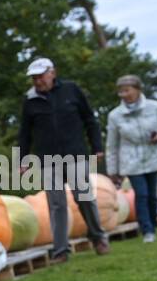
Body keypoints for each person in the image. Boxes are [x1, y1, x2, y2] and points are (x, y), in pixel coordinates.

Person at [17, 57, 109, 260]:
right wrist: (22, 160)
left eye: (40, 76)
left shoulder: (71, 90)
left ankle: (99, 238)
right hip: (48, 160)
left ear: (52, 73)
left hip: (75, 154)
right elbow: (25, 133)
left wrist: (97, 147)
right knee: (56, 204)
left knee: (83, 197)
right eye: (34, 78)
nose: (37, 81)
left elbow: (90, 120)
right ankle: (60, 251)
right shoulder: (30, 100)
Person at [105, 75, 157, 244]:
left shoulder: (155, 107)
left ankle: (153, 224)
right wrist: (113, 170)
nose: (124, 94)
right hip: (130, 160)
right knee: (141, 195)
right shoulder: (115, 116)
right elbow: (112, 145)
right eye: (121, 91)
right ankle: (147, 230)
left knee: (152, 196)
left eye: (127, 90)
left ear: (137, 89)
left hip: (152, 156)